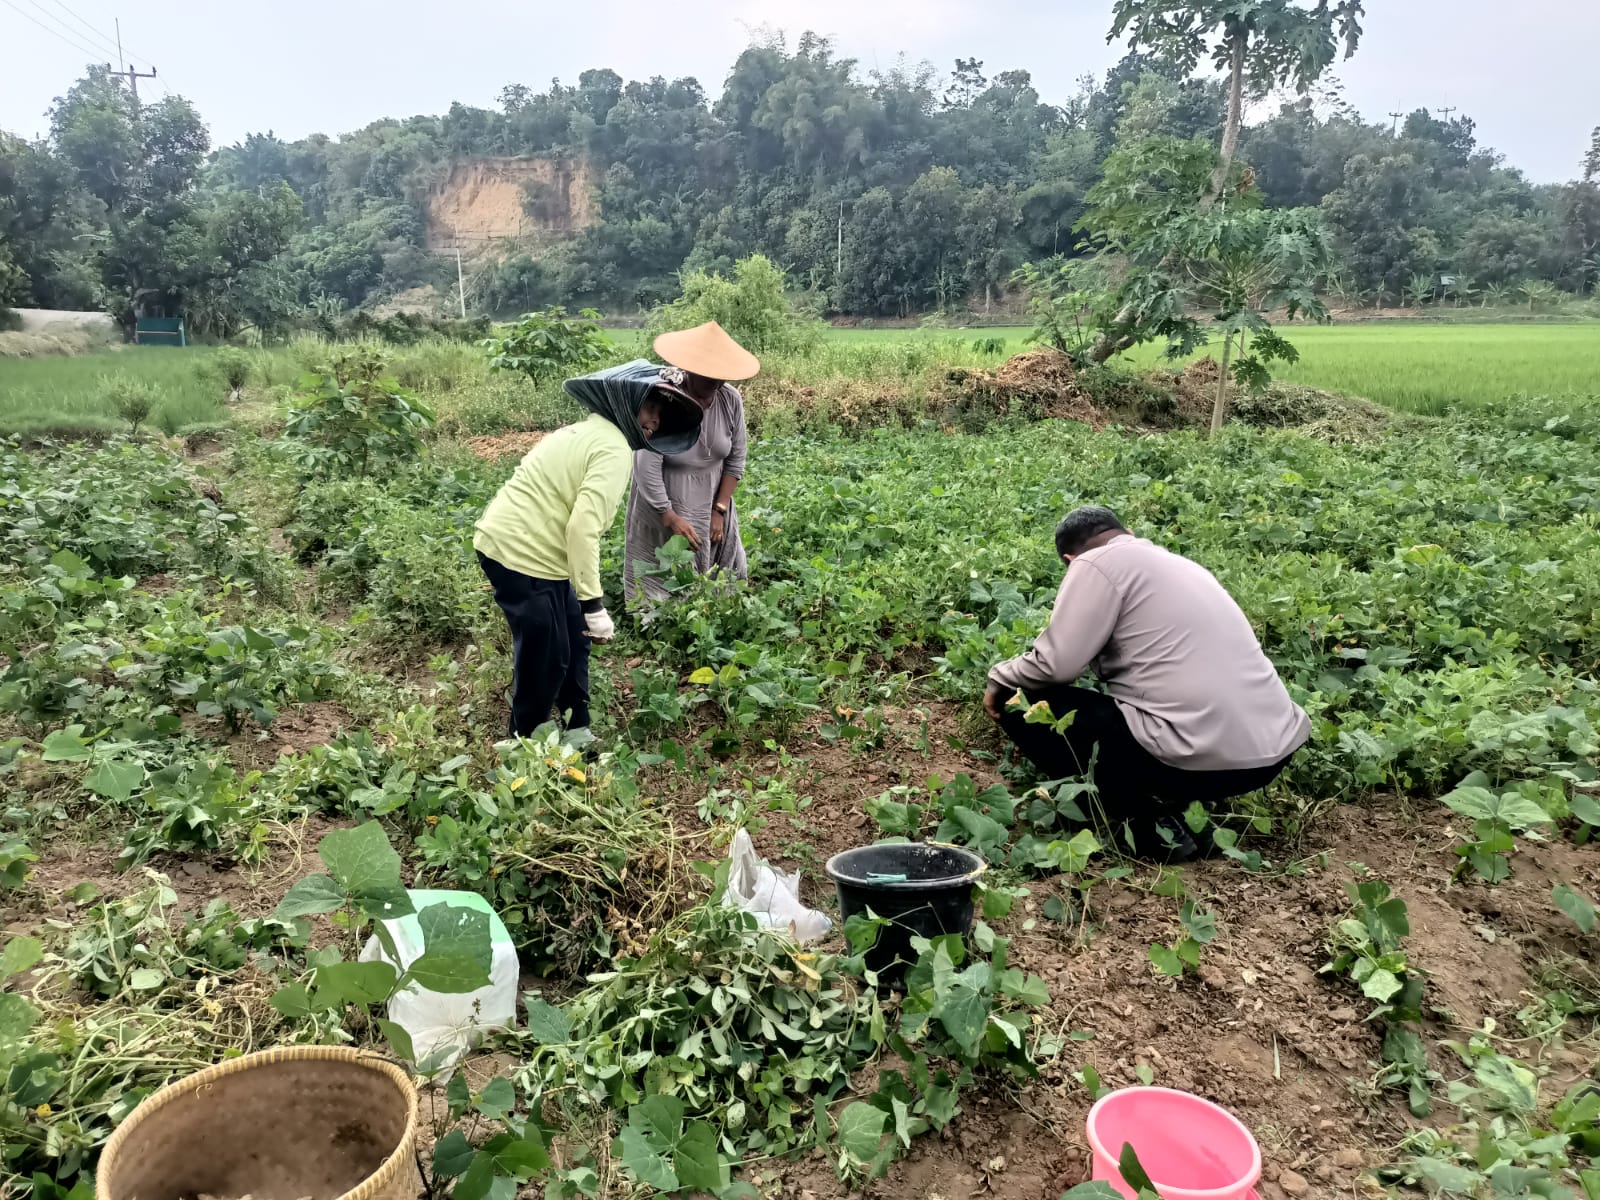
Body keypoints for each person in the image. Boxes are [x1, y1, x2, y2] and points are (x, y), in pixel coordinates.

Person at [984, 505, 1310, 860]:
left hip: (1195, 759)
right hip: (1271, 754)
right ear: (1126, 533)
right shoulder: (1183, 566)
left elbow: (1056, 665)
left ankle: (1148, 824)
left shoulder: (1093, 563)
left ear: (1069, 559)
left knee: (1023, 700)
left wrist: (999, 679)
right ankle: (1191, 818)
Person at [474, 360, 703, 745]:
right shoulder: (613, 448)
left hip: (530, 550)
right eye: (650, 408)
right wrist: (594, 605)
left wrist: (585, 607)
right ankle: (522, 746)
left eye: (660, 415)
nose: (655, 421)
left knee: (574, 639)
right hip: (522, 555)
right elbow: (582, 529)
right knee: (546, 658)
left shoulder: (591, 432)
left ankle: (578, 731)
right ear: (626, 404)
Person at [623, 321, 758, 607]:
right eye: (709, 377)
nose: (716, 384)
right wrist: (668, 515)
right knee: (665, 578)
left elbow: (736, 459)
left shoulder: (730, 399)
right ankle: (660, 619)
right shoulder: (666, 398)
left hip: (711, 497)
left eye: (721, 377)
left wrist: (719, 510)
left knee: (719, 586)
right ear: (690, 369)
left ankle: (712, 613)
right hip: (665, 500)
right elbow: (645, 465)